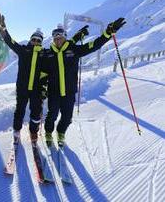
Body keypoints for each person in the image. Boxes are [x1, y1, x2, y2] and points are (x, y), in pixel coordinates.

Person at [43, 18, 126, 147]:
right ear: (53, 39)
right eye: (55, 38)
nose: (58, 40)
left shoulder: (74, 49)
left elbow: (94, 45)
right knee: (51, 115)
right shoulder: (47, 54)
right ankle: (48, 133)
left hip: (69, 92)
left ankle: (60, 133)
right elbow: (42, 73)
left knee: (67, 117)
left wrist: (107, 33)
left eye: (60, 37)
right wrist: (42, 88)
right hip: (54, 92)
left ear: (65, 37)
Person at [0, 8, 46, 144]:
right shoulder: (23, 50)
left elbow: (48, 71)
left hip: (37, 90)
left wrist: (44, 88)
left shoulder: (45, 54)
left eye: (38, 40)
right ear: (31, 40)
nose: (35, 41)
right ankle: (16, 131)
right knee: (19, 110)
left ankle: (33, 132)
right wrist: (1, 26)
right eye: (34, 39)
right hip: (22, 87)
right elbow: (9, 40)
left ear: (41, 42)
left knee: (35, 112)